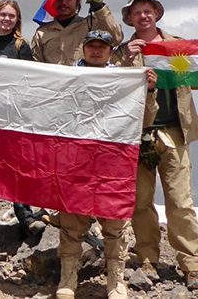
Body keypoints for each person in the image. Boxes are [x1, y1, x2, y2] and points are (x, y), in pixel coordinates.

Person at [56, 30, 158, 299]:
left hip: (111, 162)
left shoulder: (125, 80)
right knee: (71, 223)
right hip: (75, 161)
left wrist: (148, 91)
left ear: (111, 51)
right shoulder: (66, 77)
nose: (97, 51)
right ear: (83, 49)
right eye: (92, 46)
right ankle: (68, 279)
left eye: (103, 46)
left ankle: (116, 281)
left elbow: (145, 121)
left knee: (114, 223)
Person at [111, 0, 198, 290]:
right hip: (137, 135)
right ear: (130, 18)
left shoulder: (177, 47)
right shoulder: (122, 52)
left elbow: (193, 80)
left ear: (156, 14)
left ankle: (192, 263)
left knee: (180, 202)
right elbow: (110, 89)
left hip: (175, 131)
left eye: (147, 10)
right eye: (137, 12)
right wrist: (126, 61)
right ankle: (148, 257)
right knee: (141, 201)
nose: (143, 16)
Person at [0, 0, 45, 235]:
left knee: (17, 165)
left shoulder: (21, 46)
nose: (7, 19)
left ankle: (24, 215)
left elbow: (28, 81)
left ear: (17, 20)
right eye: (3, 15)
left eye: (12, 16)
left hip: (15, 115)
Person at [31, 0, 124, 66]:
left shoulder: (91, 25)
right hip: (53, 83)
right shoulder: (42, 33)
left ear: (78, 0)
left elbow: (116, 37)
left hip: (85, 82)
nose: (63, 2)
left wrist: (100, 8)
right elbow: (37, 67)